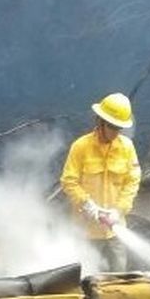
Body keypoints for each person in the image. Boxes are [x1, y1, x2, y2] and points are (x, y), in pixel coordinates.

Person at [60, 92, 141, 273]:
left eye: (119, 128)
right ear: (100, 122)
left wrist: (119, 210)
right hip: (86, 233)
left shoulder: (127, 147)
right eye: (113, 127)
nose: (116, 132)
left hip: (115, 231)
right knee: (87, 278)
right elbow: (68, 181)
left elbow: (132, 181)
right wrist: (88, 205)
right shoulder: (81, 147)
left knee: (118, 280)